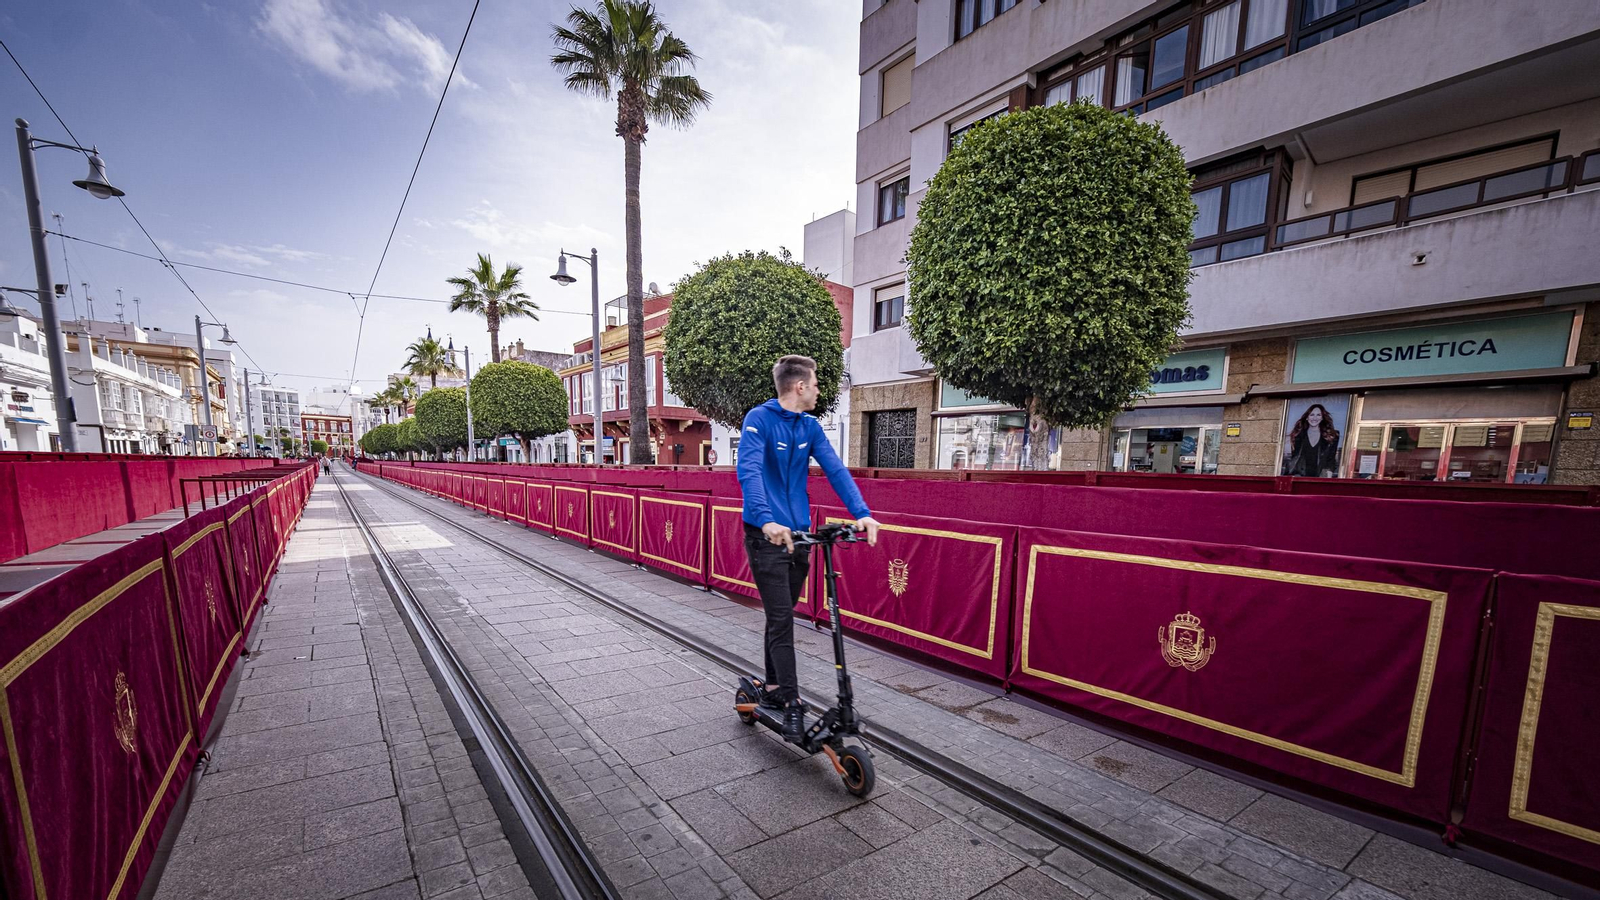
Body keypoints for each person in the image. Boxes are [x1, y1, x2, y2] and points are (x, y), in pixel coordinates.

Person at [738, 355, 880, 742]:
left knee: (781, 616)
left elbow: (835, 469)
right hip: (765, 536)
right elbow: (749, 472)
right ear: (799, 386)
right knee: (782, 618)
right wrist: (766, 520)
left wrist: (862, 513)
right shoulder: (758, 420)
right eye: (815, 383)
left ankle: (771, 685)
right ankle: (789, 698)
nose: (819, 389)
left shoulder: (810, 426)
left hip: (799, 536)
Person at [1283, 403, 1341, 477]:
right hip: (1300, 477)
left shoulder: (1332, 436)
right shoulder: (1298, 435)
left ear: (1322, 418)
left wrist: (1327, 476)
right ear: (1307, 417)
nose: (1315, 418)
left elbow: (1331, 459)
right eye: (1312, 415)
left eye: (1318, 415)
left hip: (1320, 478)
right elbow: (1295, 458)